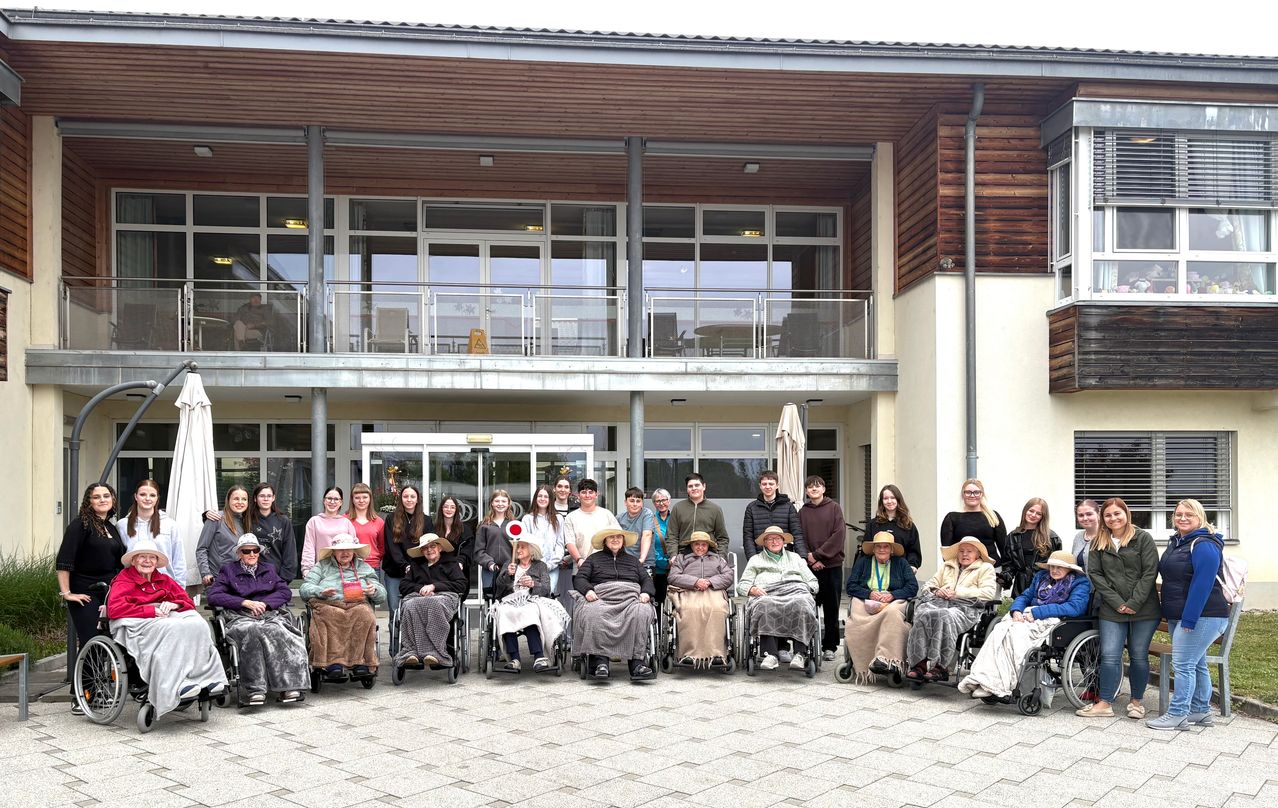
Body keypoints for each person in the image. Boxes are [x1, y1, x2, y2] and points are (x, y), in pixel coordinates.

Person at [106, 539, 227, 719]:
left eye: (152, 558)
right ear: (133, 561)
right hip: (136, 620)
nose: (147, 561)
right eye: (142, 557)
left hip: (166, 616)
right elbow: (114, 609)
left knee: (199, 624)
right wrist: (150, 610)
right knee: (173, 627)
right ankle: (175, 684)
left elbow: (187, 602)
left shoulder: (163, 579)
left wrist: (173, 604)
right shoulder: (124, 580)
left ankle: (206, 678)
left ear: (157, 562)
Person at [958, 551, 1091, 699]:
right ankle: (982, 679)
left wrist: (1038, 612)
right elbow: (1025, 596)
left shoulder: (1080, 582)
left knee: (1014, 634)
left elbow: (1074, 608)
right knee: (1000, 631)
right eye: (1052, 566)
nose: (1054, 570)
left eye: (1059, 567)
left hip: (1055, 621)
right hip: (1028, 616)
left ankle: (998, 684)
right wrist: (1016, 610)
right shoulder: (1042, 577)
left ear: (1070, 569)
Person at [1147, 499, 1231, 731]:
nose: (1182, 518)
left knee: (1183, 664)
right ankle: (1201, 711)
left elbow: (1202, 585)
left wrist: (1189, 619)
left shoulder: (1204, 544)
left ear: (1200, 517)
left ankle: (1177, 714)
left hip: (1203, 615)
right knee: (1197, 664)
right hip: (1181, 614)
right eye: (1178, 514)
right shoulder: (1178, 542)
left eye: (1189, 514)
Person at [1077, 498, 1160, 719]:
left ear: (1126, 513)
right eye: (1108, 515)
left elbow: (1150, 573)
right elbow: (1095, 575)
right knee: (1110, 656)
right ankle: (1105, 703)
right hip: (1112, 609)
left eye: (1117, 513)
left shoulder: (1143, 538)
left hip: (1144, 609)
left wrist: (1133, 603)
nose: (1113, 518)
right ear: (1103, 518)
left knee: (1138, 655)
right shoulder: (1098, 541)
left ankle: (1136, 702)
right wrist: (1118, 603)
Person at [206, 535, 308, 705]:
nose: (252, 554)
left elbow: (285, 592)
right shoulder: (228, 570)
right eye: (247, 551)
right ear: (239, 553)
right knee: (251, 631)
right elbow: (214, 595)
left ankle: (289, 686)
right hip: (240, 615)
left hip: (269, 613)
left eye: (255, 550)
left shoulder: (269, 568)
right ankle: (256, 688)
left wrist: (265, 604)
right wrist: (244, 602)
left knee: (280, 631)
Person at [57, 482, 126, 713]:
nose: (102, 500)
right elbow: (64, 561)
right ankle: (81, 695)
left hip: (109, 591)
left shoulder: (111, 527)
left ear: (113, 500)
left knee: (109, 639)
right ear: (89, 501)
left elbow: (119, 563)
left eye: (106, 496)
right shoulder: (80, 525)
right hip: (84, 591)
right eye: (97, 497)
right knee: (91, 640)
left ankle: (99, 689)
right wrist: (67, 593)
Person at [905, 536, 998, 682]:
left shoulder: (985, 568)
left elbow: (988, 593)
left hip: (965, 608)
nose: (964, 554)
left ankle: (941, 667)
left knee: (944, 615)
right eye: (961, 551)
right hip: (938, 603)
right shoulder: (948, 565)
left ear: (978, 554)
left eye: (969, 551)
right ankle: (919, 664)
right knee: (923, 612)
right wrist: (937, 590)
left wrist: (958, 592)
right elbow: (927, 585)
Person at [572, 527, 657, 681]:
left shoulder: (633, 561)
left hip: (630, 598)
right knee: (593, 613)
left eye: (619, 537)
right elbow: (580, 578)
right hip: (601, 596)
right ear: (605, 541)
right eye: (611, 537)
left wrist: (646, 592)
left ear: (623, 541)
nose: (615, 540)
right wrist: (588, 591)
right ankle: (600, 662)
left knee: (642, 612)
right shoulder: (593, 559)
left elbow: (646, 580)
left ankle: (637, 663)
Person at [300, 535, 386, 678]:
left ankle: (360, 661)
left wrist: (374, 591)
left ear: (354, 551)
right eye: (340, 550)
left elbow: (381, 594)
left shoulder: (364, 567)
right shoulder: (322, 566)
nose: (345, 553)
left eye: (348, 549)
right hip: (328, 603)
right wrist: (320, 591)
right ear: (333, 552)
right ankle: (332, 662)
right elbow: (304, 588)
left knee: (365, 614)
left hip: (357, 604)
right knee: (329, 614)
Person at [737, 526, 820, 671]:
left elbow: (813, 582)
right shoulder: (755, 560)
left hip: (795, 591)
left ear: (783, 541)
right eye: (770, 539)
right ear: (764, 542)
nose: (774, 541)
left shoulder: (795, 558)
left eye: (777, 538)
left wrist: (805, 590)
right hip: (768, 594)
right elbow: (742, 585)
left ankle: (800, 654)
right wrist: (752, 589)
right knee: (764, 604)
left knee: (802, 603)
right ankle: (770, 655)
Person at [843, 532, 918, 683]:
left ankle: (885, 658)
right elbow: (850, 585)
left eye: (885, 547)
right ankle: (864, 661)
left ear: (891, 549)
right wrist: (869, 593)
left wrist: (893, 595)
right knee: (856, 615)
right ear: (873, 549)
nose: (882, 550)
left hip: (892, 601)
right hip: (867, 600)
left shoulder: (901, 563)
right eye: (878, 547)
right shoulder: (863, 562)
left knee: (892, 613)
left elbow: (912, 587)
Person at [492, 537, 568, 672]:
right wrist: (508, 575)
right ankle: (514, 659)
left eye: (523, 547)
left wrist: (533, 584)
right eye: (518, 547)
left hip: (532, 601)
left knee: (530, 611)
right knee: (504, 612)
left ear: (531, 551)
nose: (519, 550)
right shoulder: (509, 564)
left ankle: (539, 656)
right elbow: (498, 589)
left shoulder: (540, 566)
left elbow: (546, 588)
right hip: (511, 600)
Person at [396, 533, 467, 670]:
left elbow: (461, 584)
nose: (429, 550)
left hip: (444, 597)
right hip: (418, 597)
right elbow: (404, 585)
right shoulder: (416, 565)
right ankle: (412, 653)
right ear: (422, 551)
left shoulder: (451, 563)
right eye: (425, 548)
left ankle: (436, 653)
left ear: (439, 548)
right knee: (410, 605)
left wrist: (435, 586)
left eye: (433, 546)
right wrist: (420, 588)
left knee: (434, 603)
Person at [666, 531, 733, 667]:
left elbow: (729, 576)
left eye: (704, 545)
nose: (700, 547)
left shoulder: (717, 559)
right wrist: (695, 581)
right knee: (689, 610)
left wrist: (709, 581)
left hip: (713, 591)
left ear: (709, 546)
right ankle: (688, 654)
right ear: (691, 545)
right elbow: (672, 577)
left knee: (718, 609)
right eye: (697, 544)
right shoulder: (681, 558)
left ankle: (716, 654)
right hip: (688, 591)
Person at [799, 475, 846, 662]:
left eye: (817, 486)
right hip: (810, 567)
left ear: (824, 489)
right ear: (806, 491)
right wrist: (809, 558)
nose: (814, 489)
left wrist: (818, 556)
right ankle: (807, 642)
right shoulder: (803, 511)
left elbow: (838, 535)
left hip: (831, 565)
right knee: (808, 606)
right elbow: (799, 536)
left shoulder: (834, 508)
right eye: (810, 487)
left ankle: (830, 646)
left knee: (831, 608)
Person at [117, 479, 186, 585]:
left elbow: (179, 560)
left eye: (152, 495)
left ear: (157, 498)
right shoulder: (122, 525)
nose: (147, 499)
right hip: (132, 586)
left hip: (164, 585)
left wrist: (180, 587)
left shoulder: (170, 525)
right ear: (136, 496)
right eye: (143, 494)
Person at [939, 478, 1008, 578]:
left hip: (992, 568)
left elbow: (1004, 547)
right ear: (963, 494)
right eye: (968, 492)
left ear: (982, 494)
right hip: (963, 570)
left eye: (976, 492)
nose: (972, 495)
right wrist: (952, 572)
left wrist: (1006, 572)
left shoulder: (993, 516)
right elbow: (947, 551)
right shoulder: (952, 518)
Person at [382, 486, 432, 615]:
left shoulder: (426, 521)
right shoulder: (391, 519)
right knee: (395, 610)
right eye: (405, 496)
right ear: (401, 499)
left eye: (412, 497)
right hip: (395, 572)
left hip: (418, 573)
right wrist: (404, 565)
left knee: (415, 611)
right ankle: (395, 635)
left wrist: (415, 567)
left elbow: (428, 546)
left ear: (417, 500)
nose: (409, 500)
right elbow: (391, 546)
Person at [742, 470, 807, 560]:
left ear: (777, 485)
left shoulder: (788, 506)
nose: (767, 487)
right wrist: (752, 558)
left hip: (785, 557)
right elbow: (748, 536)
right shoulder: (751, 507)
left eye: (771, 484)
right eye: (764, 484)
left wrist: (802, 557)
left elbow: (797, 534)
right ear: (760, 486)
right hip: (760, 557)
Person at [664, 473, 730, 559]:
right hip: (684, 555)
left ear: (704, 486)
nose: (694, 488)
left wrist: (721, 556)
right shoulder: (678, 508)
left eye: (697, 485)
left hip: (709, 555)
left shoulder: (715, 509)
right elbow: (671, 535)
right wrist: (673, 555)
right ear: (687, 489)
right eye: (690, 486)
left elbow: (722, 538)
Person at [196, 485, 252, 586]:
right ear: (228, 500)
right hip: (218, 579)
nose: (240, 502)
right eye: (236, 498)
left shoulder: (246, 523)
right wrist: (206, 573)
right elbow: (202, 549)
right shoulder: (216, 519)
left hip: (240, 580)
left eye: (244, 499)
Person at [1005, 498, 1060, 596]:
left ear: (1043, 517)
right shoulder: (1013, 536)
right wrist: (1005, 577)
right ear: (1025, 511)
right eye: (1031, 511)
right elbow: (1009, 564)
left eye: (1039, 513)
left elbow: (1058, 565)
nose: (1033, 515)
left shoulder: (1051, 538)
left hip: (1044, 586)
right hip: (1020, 587)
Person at [564, 479, 620, 570]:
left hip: (606, 567)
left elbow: (618, 537)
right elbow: (570, 543)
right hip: (581, 569)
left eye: (591, 492)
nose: (587, 495)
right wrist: (579, 560)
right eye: (583, 492)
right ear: (578, 495)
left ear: (596, 494)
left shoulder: (607, 514)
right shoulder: (571, 517)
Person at [300, 486, 356, 577]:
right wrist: (307, 570)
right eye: (329, 498)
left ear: (341, 502)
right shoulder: (314, 521)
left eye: (336, 499)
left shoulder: (346, 523)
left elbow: (354, 549)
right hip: (321, 571)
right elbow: (308, 548)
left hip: (344, 572)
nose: (332, 502)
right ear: (324, 500)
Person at [864, 484, 923, 569]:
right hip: (877, 572)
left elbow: (914, 551)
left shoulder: (908, 525)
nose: (889, 501)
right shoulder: (872, 524)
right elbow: (866, 551)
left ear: (898, 500)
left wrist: (912, 565)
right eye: (885, 498)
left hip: (901, 572)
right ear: (882, 502)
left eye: (892, 497)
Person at [521, 485, 566, 593]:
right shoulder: (527, 519)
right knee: (532, 596)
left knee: (548, 594)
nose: (542, 499)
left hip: (552, 567)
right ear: (535, 498)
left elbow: (560, 544)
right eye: (540, 496)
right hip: (532, 568)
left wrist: (550, 564)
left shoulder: (558, 519)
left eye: (546, 496)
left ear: (551, 499)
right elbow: (525, 545)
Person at [250, 483, 298, 582]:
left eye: (269, 496)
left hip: (276, 577)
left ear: (273, 498)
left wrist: (283, 579)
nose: (266, 499)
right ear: (255, 498)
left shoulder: (283, 520)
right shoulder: (247, 519)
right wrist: (208, 513)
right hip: (251, 577)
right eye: (262, 496)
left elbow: (290, 552)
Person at [475, 489, 515, 598]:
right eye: (497, 501)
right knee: (491, 602)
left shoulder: (514, 525)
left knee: (509, 602)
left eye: (503, 501)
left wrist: (513, 564)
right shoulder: (484, 525)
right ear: (492, 503)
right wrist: (489, 564)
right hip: (490, 571)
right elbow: (478, 551)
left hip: (510, 571)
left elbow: (519, 548)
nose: (500, 504)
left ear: (508, 504)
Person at [434, 493, 473, 589]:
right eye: (446, 507)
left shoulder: (465, 530)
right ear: (441, 509)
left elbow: (468, 550)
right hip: (436, 571)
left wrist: (460, 562)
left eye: (452, 507)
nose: (449, 510)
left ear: (456, 510)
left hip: (457, 569)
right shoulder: (433, 528)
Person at [346, 482, 384, 573]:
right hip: (349, 567)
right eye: (357, 498)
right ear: (352, 500)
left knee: (372, 588)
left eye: (365, 497)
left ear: (370, 499)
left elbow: (382, 547)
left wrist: (374, 557)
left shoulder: (379, 522)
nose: (361, 500)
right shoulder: (344, 520)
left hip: (372, 567)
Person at [617, 487, 657, 565]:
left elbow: (647, 535)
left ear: (642, 503)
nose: (635, 504)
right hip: (625, 563)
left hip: (645, 563)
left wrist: (641, 559)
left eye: (638, 501)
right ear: (625, 502)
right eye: (632, 501)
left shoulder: (647, 514)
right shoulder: (619, 518)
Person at [649, 488, 674, 605]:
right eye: (657, 501)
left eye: (664, 500)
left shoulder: (676, 519)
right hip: (658, 569)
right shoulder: (650, 520)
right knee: (659, 601)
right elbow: (649, 545)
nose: (661, 503)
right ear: (654, 503)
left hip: (676, 568)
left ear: (669, 501)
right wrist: (664, 563)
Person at [1070, 500, 1101, 574]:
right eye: (1081, 515)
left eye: (1089, 514)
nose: (1085, 518)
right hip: (1081, 583)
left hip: (1100, 585)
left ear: (1098, 514)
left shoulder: (1107, 537)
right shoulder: (1078, 537)